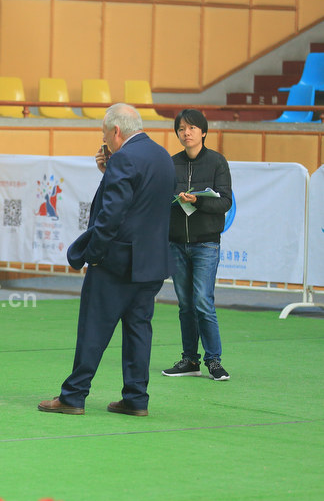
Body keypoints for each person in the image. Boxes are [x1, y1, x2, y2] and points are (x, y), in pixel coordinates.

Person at [38, 103, 175, 417]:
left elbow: (111, 215)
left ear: (116, 131)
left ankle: (74, 396)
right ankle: (136, 398)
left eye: (104, 133)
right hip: (152, 262)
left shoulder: (124, 159)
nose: (103, 139)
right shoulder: (163, 156)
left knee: (94, 329)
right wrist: (108, 171)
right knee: (139, 331)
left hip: (117, 261)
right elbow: (143, 203)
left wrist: (94, 254)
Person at [161, 109, 232, 381]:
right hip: (177, 243)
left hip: (206, 244)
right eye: (181, 129)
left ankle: (214, 360)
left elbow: (225, 202)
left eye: (191, 128)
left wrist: (197, 201)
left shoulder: (217, 162)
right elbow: (160, 197)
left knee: (203, 301)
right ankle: (190, 360)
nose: (186, 133)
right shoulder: (171, 163)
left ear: (203, 132)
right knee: (185, 305)